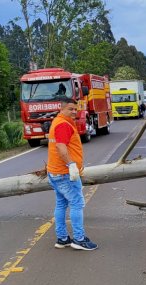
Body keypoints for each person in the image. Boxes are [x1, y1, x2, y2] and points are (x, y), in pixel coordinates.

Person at [47, 99, 98, 251]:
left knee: (61, 204)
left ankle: (62, 238)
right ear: (61, 108)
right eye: (70, 109)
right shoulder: (63, 124)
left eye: (76, 109)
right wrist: (71, 165)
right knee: (77, 204)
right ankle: (79, 239)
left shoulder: (57, 121)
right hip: (64, 174)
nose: (74, 112)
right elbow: (61, 148)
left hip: (55, 172)